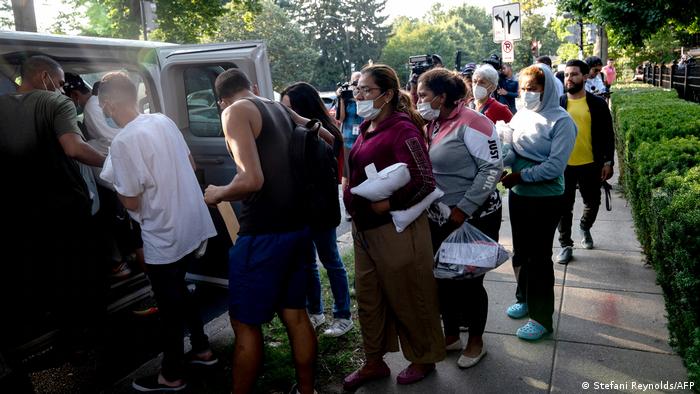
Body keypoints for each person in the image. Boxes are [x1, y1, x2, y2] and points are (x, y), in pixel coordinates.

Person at [98, 71, 218, 392]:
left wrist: (119, 188)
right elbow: (190, 165)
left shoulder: (123, 141)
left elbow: (131, 197)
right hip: (190, 221)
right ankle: (203, 349)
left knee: (168, 306)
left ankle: (171, 374)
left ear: (108, 103)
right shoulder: (162, 121)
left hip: (162, 231)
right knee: (180, 288)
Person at [203, 69, 319, 394]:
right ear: (252, 87)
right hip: (296, 228)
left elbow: (252, 180)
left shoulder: (234, 111)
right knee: (296, 315)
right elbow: (323, 134)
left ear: (221, 99)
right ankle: (307, 390)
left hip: (262, 234)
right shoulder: (278, 107)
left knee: (245, 324)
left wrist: (218, 193)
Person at [0, 55, 105, 393]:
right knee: (74, 272)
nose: (62, 88)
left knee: (35, 270)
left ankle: (37, 330)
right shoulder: (54, 102)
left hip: (18, 208)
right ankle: (77, 343)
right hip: (62, 205)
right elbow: (74, 148)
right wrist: (115, 158)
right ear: (45, 77)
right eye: (60, 82)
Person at [342, 64, 445, 390]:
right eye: (357, 89)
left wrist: (387, 204)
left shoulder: (403, 129)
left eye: (367, 90)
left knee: (410, 295)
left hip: (396, 231)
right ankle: (374, 361)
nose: (359, 95)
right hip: (365, 232)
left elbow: (424, 180)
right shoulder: (366, 127)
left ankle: (423, 357)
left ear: (387, 94)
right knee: (370, 299)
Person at [416, 68, 504, 368]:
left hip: (474, 216)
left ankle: (476, 342)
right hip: (440, 215)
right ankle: (451, 334)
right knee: (443, 277)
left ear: (441, 97)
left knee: (469, 281)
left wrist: (464, 208)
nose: (419, 100)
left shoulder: (474, 122)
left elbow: (492, 169)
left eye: (424, 95)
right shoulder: (434, 124)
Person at [500, 64, 576, 341]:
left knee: (539, 258)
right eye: (523, 88)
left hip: (546, 199)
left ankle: (542, 318)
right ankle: (524, 297)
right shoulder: (521, 115)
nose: (527, 94)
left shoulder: (562, 121)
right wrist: (502, 161)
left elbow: (555, 167)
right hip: (519, 195)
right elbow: (512, 151)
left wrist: (521, 175)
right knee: (521, 253)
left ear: (548, 90)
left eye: (533, 89)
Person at [280, 82, 354, 337]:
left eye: (290, 108)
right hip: (299, 208)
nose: (285, 113)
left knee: (331, 261)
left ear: (303, 107)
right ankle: (316, 312)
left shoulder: (323, 129)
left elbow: (332, 142)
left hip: (322, 207)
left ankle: (343, 315)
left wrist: (296, 119)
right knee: (307, 263)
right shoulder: (290, 132)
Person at [63, 73, 141, 279]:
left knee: (125, 221)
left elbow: (110, 139)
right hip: (115, 175)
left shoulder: (92, 108)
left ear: (75, 94)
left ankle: (133, 264)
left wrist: (95, 153)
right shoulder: (159, 123)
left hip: (114, 176)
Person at [556, 60, 615, 264]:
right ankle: (565, 245)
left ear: (585, 76)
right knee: (563, 207)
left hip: (591, 164)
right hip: (563, 166)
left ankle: (584, 227)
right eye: (566, 75)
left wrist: (608, 162)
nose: (569, 78)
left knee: (593, 203)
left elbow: (608, 135)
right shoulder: (558, 103)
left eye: (573, 74)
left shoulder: (597, 104)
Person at [337, 72, 363, 188]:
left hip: (363, 138)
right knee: (347, 173)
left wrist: (359, 97)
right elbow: (341, 118)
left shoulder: (365, 96)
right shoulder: (346, 97)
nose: (356, 84)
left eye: (359, 81)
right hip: (348, 140)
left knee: (362, 171)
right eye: (354, 81)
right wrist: (341, 99)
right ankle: (347, 196)